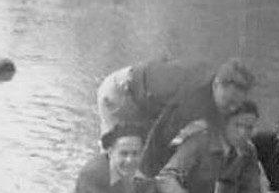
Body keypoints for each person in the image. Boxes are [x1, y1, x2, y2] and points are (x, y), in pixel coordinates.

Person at [96, 57, 256, 176]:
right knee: (125, 156)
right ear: (215, 85)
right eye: (228, 103)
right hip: (123, 94)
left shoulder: (217, 93)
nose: (232, 109)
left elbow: (220, 126)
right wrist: (145, 176)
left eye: (237, 104)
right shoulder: (193, 98)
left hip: (151, 100)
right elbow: (160, 136)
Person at [155, 100, 272, 193]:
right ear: (224, 124)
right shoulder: (200, 142)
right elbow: (166, 177)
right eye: (238, 125)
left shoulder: (248, 150)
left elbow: (250, 191)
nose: (243, 133)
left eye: (249, 128)